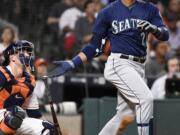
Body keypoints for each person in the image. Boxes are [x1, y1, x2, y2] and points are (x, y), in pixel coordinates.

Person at [47, 0, 169, 135]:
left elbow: (165, 34)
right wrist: (72, 63)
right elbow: (94, 46)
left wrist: (154, 29)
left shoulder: (149, 9)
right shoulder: (108, 11)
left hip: (139, 66)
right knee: (145, 99)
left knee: (125, 114)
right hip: (119, 63)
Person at [0, 40, 57, 135]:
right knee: (15, 114)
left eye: (28, 52)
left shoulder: (29, 82)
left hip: (14, 119)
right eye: (22, 51)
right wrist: (7, 111)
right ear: (12, 57)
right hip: (7, 116)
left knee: (47, 129)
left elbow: (34, 114)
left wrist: (53, 129)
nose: (26, 55)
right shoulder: (2, 74)